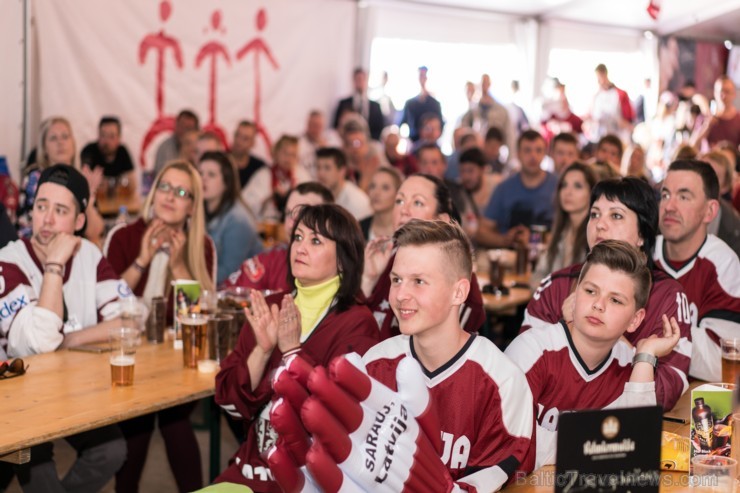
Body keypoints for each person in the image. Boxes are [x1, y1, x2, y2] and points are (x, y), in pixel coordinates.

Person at [213, 204, 380, 491]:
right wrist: (262, 351)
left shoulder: (358, 323)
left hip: (311, 480)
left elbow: (339, 420)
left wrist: (291, 353)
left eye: (315, 241)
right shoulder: (272, 305)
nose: (300, 248)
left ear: (343, 260)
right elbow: (228, 401)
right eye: (298, 237)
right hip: (253, 468)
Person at [0, 164, 128, 492]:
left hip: (70, 392)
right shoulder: (7, 261)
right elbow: (39, 344)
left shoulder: (88, 254)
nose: (47, 219)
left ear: (80, 221)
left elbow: (130, 318)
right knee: (37, 460)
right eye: (41, 206)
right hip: (16, 405)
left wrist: (70, 339)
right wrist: (54, 265)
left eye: (60, 210)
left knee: (112, 450)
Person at [521, 177, 691, 411]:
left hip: (621, 432)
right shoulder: (556, 284)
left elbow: (666, 393)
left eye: (616, 215)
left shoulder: (666, 294)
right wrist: (566, 329)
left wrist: (606, 334)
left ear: (642, 235)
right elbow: (521, 374)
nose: (600, 224)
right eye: (594, 214)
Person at [506, 240, 680, 468]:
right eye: (590, 291)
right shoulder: (531, 352)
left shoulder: (630, 364)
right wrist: (603, 445)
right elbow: (514, 447)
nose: (599, 305)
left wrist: (646, 356)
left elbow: (637, 448)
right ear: (575, 295)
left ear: (635, 320)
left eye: (615, 300)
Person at [104, 160, 215, 493]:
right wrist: (142, 260)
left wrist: (179, 266)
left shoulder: (202, 246)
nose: (170, 197)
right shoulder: (123, 236)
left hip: (176, 361)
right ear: (153, 193)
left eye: (181, 192)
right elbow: (107, 308)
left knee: (173, 419)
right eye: (165, 187)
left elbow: (199, 319)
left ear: (192, 206)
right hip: (128, 354)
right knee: (140, 424)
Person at [362, 174, 486, 340]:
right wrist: (368, 279)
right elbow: (355, 330)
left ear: (441, 220)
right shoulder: (384, 257)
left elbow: (440, 354)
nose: (404, 210)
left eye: (417, 202)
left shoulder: (458, 280)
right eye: (399, 201)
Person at [654, 160, 740, 382]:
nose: (669, 206)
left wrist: (651, 326)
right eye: (665, 195)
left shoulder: (723, 262)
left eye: (683, 197)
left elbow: (723, 364)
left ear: (709, 211)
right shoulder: (643, 253)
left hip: (695, 403)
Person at [223, 182, 333, 294]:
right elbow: (228, 295)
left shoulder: (339, 272)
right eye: (289, 213)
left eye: (303, 215)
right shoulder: (273, 258)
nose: (291, 224)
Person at [19, 117, 105, 245]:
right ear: (44, 148)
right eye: (53, 138)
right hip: (38, 249)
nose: (60, 142)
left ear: (73, 143)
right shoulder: (35, 177)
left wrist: (89, 199)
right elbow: (39, 230)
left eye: (65, 137)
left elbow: (95, 232)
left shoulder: (81, 177)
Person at [477, 130, 558, 248]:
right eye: (527, 150)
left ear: (545, 153)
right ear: (518, 154)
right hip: (510, 257)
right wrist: (505, 240)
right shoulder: (504, 188)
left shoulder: (558, 185)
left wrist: (532, 239)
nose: (533, 156)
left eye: (538, 150)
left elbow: (570, 232)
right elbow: (482, 233)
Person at [198, 151, 262, 285]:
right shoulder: (199, 210)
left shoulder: (238, 220)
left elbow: (228, 273)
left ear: (227, 182)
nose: (203, 179)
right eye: (200, 173)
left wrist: (189, 277)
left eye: (211, 174)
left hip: (242, 294)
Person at [530, 163, 597, 288]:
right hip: (551, 305)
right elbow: (537, 276)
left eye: (578, 186)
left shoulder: (596, 235)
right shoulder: (561, 232)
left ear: (591, 193)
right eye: (564, 185)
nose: (568, 192)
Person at [241, 135, 310, 219]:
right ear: (276, 153)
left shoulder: (302, 175)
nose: (288, 158)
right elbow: (245, 204)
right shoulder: (263, 175)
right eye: (285, 153)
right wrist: (269, 198)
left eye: (293, 154)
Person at [315, 147, 372, 220]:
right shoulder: (319, 195)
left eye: (327, 168)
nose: (321, 173)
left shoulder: (356, 202)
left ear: (342, 171)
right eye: (318, 167)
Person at [702, 150, 740, 255]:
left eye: (713, 177)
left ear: (724, 187)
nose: (703, 180)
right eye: (701, 172)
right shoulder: (674, 206)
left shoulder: (733, 226)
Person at [333, 68, 385, 141]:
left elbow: (379, 128)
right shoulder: (344, 104)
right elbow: (336, 126)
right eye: (358, 79)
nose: (360, 82)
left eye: (362, 79)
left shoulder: (375, 106)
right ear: (353, 81)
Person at [80, 116, 135, 182]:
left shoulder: (122, 151)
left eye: (111, 136)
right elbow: (84, 178)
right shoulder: (89, 151)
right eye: (103, 135)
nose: (106, 141)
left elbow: (132, 182)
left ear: (119, 138)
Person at [692, 75, 740, 149]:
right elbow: (692, 145)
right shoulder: (705, 118)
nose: (723, 96)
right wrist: (706, 127)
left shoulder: (738, 119)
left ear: (734, 94)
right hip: (706, 159)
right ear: (715, 93)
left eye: (727, 91)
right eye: (721, 91)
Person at [590, 64, 634, 142]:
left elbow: (629, 120)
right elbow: (593, 117)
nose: (598, 81)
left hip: (618, 137)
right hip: (600, 138)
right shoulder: (596, 96)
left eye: (599, 78)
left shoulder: (620, 94)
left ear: (604, 74)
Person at [400, 66, 443, 143]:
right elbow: (402, 123)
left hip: (432, 142)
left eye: (424, 75)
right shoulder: (410, 103)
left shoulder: (435, 104)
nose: (422, 78)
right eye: (420, 76)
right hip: (414, 142)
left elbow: (441, 124)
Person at [359, 167, 402, 241]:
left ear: (398, 194)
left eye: (385, 188)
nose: (376, 193)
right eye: (373, 186)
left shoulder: (406, 231)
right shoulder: (358, 228)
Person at [153, 109, 199, 175]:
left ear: (197, 132)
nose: (184, 131)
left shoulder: (202, 148)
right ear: (175, 125)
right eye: (181, 126)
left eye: (188, 128)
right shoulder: (165, 148)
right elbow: (163, 175)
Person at [458, 146, 502, 215]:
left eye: (470, 170)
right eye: (462, 171)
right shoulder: (457, 190)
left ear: (483, 169)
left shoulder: (498, 185)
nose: (466, 176)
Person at [230, 121, 267, 189]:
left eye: (245, 138)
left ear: (253, 143)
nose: (239, 141)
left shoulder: (259, 168)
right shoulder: (220, 161)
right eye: (237, 135)